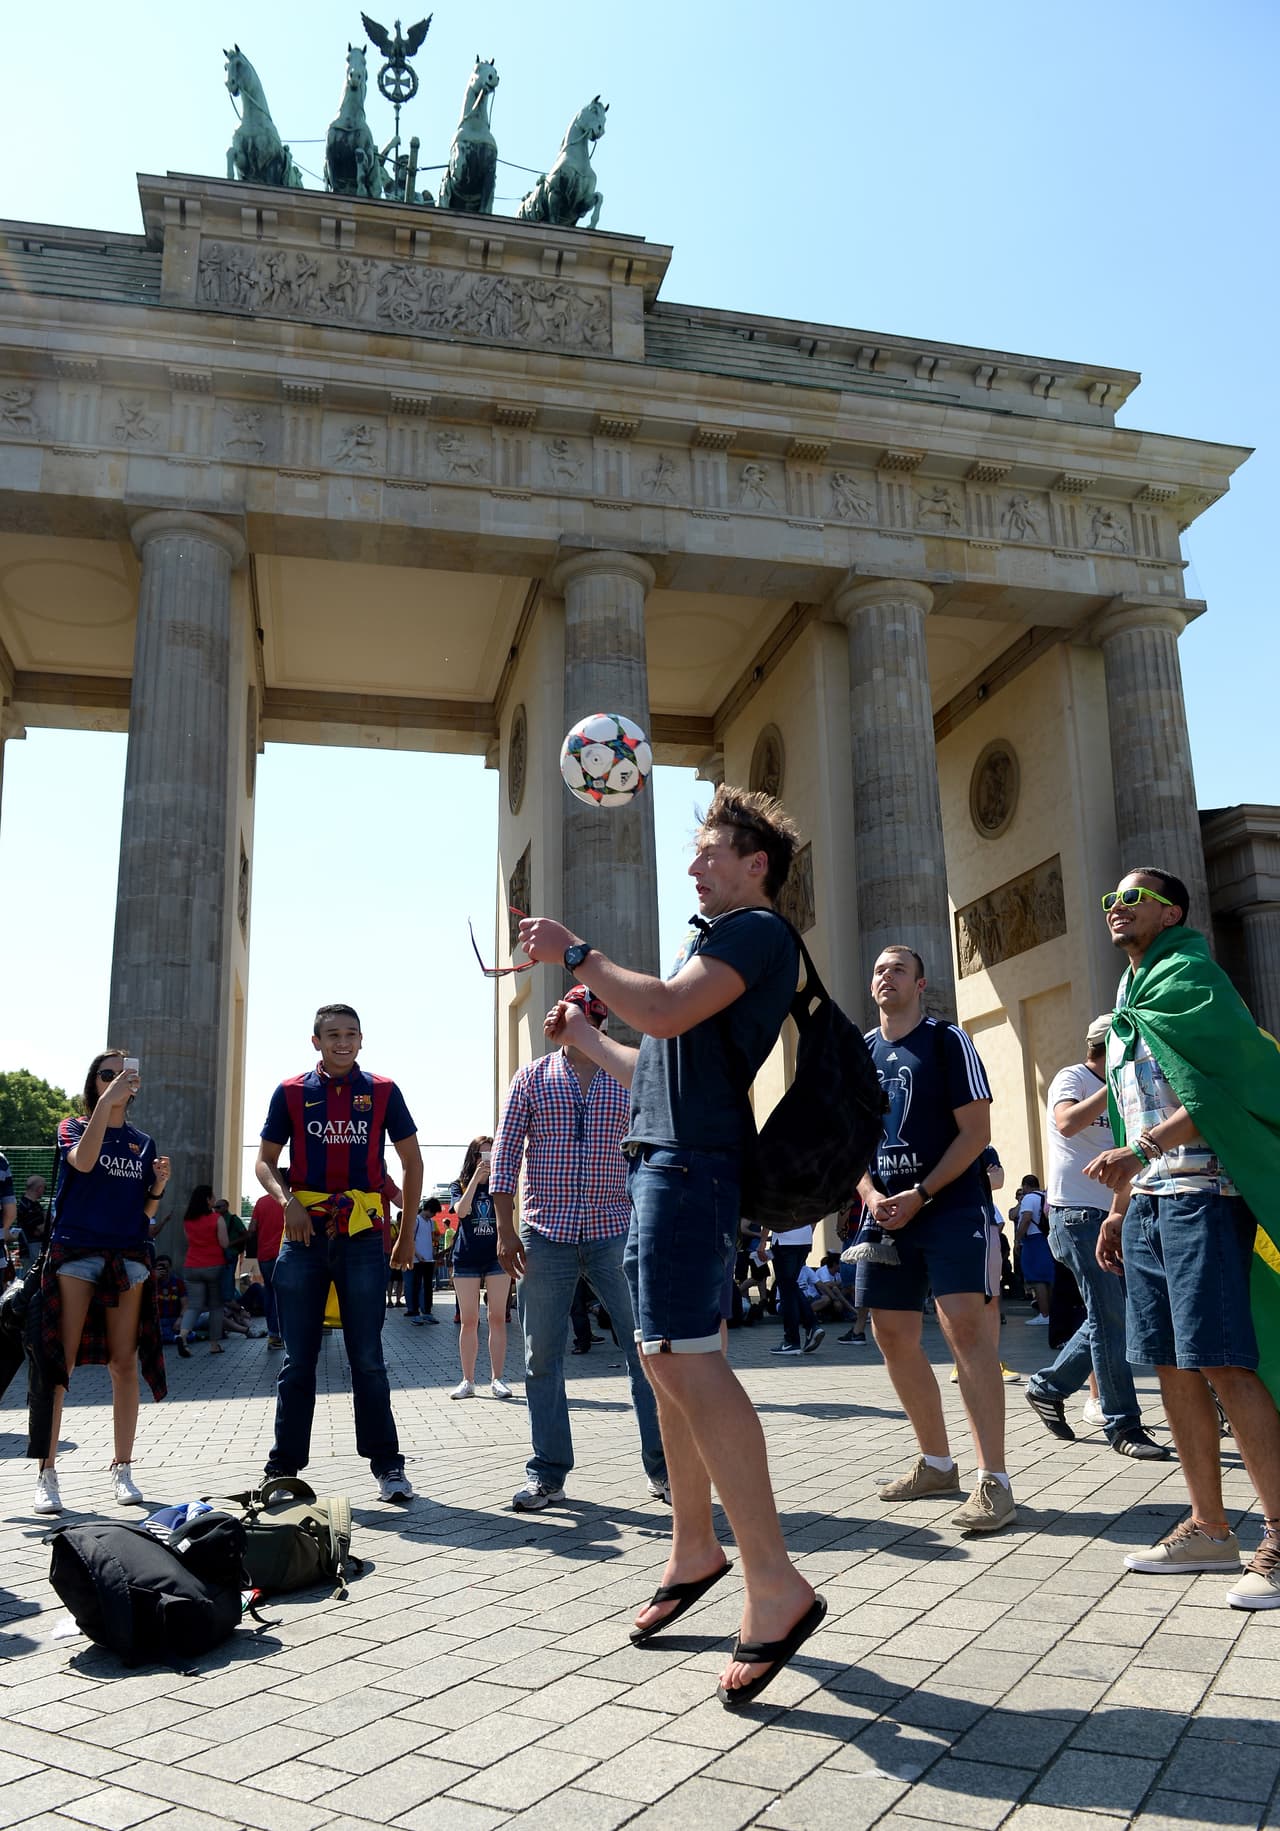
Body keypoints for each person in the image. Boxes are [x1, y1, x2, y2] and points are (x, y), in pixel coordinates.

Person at [518, 783, 825, 1708]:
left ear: (754, 863)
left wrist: (579, 954)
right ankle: (696, 1544)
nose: (691, 865)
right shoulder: (711, 938)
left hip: (694, 1170)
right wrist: (581, 1034)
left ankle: (776, 1584)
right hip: (661, 1160)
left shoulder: (756, 933)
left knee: (689, 1364)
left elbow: (657, 1009)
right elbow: (648, 1058)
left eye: (707, 850)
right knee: (665, 1362)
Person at [1086, 867, 1280, 1606]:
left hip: (1205, 1193)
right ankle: (1208, 1524)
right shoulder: (1129, 997)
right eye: (1109, 900)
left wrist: (1139, 1154)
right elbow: (1133, 1106)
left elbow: (1222, 1085)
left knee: (1225, 1364)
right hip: (1150, 1202)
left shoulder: (1196, 978)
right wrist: (1119, 1204)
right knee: (1167, 1363)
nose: (1115, 909)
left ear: (1169, 911)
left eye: (1130, 898)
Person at [491, 982, 669, 1512]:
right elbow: (505, 1155)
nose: (585, 1027)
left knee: (646, 1354)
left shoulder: (628, 1078)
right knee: (540, 1357)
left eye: (593, 1019)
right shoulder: (531, 1077)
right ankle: (548, 1472)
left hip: (617, 1230)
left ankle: (664, 1470)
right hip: (547, 1234)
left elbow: (656, 1150)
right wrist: (505, 1228)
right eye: (575, 1018)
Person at [856, 945, 1015, 1533]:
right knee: (892, 1334)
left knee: (965, 1333)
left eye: (898, 968)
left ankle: (993, 1480)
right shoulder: (860, 1054)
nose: (885, 976)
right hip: (883, 1213)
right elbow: (847, 1140)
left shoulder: (948, 1041)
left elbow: (976, 1133)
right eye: (878, 969)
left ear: (921, 984)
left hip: (948, 1207)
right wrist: (871, 1196)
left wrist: (920, 1193)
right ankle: (936, 1463)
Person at [255, 1002, 420, 1503]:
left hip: (364, 1238)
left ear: (362, 1040)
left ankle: (388, 1467)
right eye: (332, 1035)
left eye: (350, 1034)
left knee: (367, 1358)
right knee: (297, 1361)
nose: (342, 1042)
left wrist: (407, 1232)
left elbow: (412, 1161)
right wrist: (288, 1204)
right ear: (316, 1042)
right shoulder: (289, 1092)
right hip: (303, 1240)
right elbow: (264, 1163)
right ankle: (283, 1472)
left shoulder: (384, 1091)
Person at [1022, 1015, 1169, 1460]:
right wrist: (1116, 1083)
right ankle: (1123, 1425)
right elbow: (1066, 1123)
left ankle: (1047, 1387)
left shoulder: (1124, 1090)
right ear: (1106, 1048)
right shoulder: (1074, 1077)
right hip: (1076, 1215)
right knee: (1112, 1318)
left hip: (1117, 1216)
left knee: (1113, 1316)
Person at [31, 1049, 171, 1514]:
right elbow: (84, 1163)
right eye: (105, 1075)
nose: (114, 1081)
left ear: (136, 1085)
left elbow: (144, 1215)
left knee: (124, 1363)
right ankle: (47, 1472)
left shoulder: (142, 1142)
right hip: (77, 1251)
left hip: (128, 1254)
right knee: (59, 1365)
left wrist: (156, 1188)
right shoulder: (72, 1126)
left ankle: (123, 1467)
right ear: (93, 1082)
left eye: (124, 1076)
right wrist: (104, 1108)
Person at [450, 1136, 512, 1399]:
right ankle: (468, 1380)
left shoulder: (501, 1184)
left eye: (490, 1155)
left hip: (497, 1257)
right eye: (481, 1155)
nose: (485, 1160)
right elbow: (461, 1211)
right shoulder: (459, 1184)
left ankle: (497, 1379)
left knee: (497, 1318)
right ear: (472, 1157)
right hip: (466, 1257)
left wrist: (493, 1178)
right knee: (469, 1320)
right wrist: (475, 1180)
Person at [178, 1184, 228, 1358]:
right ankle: (214, 1344)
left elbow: (188, 1240)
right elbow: (224, 1243)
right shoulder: (216, 1219)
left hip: (191, 1266)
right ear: (207, 1200)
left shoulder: (187, 1219)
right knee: (215, 1306)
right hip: (213, 1266)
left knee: (194, 1306)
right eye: (212, 1197)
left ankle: (183, 1335)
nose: (214, 1200)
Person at [763, 1219, 825, 1357]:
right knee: (790, 1285)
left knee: (786, 1289)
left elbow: (770, 1216)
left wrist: (762, 1243)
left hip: (784, 1240)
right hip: (804, 1239)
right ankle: (811, 1326)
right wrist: (808, 1232)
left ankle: (792, 1340)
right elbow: (816, 1214)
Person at [1015, 1175, 1053, 1320]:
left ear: (1025, 1186)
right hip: (1046, 1238)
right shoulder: (1045, 1195)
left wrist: (1017, 1239)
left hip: (1033, 1239)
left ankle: (1044, 1314)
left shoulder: (1029, 1198)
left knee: (1037, 1279)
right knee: (1048, 1277)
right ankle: (1051, 1313)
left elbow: (1025, 1219)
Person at [251, 1188, 286, 1348]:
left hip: (264, 1254)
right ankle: (287, 1334)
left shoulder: (261, 1202)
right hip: (284, 1253)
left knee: (270, 1293)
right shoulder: (288, 1201)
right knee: (287, 1295)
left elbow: (252, 1228)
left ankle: (273, 1334)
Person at [406, 1198, 439, 1323]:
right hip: (417, 1260)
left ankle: (427, 1312)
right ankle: (415, 1313)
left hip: (428, 1259)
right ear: (429, 1209)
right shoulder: (416, 1220)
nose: (434, 1215)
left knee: (428, 1286)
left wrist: (433, 1252)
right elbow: (410, 1240)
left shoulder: (430, 1222)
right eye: (434, 1212)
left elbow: (429, 1239)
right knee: (416, 1285)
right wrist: (417, 1255)